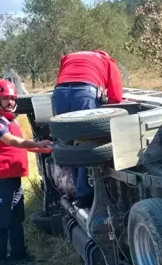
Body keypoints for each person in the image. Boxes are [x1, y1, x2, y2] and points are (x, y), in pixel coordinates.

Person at [0, 79, 52, 262]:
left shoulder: (9, 121)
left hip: (13, 178)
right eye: (5, 98)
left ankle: (18, 254)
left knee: (16, 219)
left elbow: (20, 146)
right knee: (1, 222)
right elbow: (12, 141)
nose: (10, 102)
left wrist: (41, 148)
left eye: (13, 98)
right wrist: (37, 143)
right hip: (0, 180)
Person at [51, 50, 123, 208]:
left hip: (59, 94)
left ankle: (74, 189)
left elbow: (64, 79)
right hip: (84, 93)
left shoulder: (68, 57)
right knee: (86, 142)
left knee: (68, 142)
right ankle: (86, 193)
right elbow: (116, 97)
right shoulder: (106, 60)